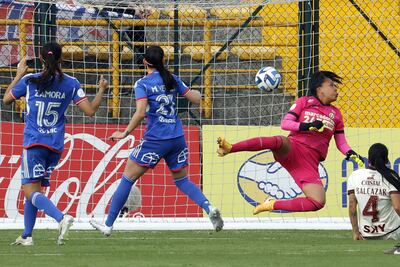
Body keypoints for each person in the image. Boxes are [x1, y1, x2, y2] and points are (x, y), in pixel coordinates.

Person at [90, 46, 223, 235]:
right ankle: (209, 208)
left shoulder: (142, 84)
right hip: (177, 137)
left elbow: (140, 112)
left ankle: (108, 225)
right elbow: (195, 98)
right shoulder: (171, 78)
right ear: (163, 60)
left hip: (156, 139)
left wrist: (125, 133)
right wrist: (195, 92)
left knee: (127, 178)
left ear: (145, 62)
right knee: (182, 180)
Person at [3, 42, 108, 245]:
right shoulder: (71, 82)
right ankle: (27, 235)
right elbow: (90, 111)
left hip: (34, 143)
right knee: (34, 191)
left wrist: (17, 74)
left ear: (41, 59)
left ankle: (62, 218)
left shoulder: (30, 80)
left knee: (30, 190)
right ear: (61, 59)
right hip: (56, 145)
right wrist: (102, 90)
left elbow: (7, 98)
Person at [217, 71, 364, 214]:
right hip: (294, 147)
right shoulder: (304, 102)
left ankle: (271, 204)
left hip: (309, 161)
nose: (335, 89)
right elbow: (286, 124)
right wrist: (306, 126)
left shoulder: (336, 114)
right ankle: (231, 148)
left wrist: (351, 153)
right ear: (320, 89)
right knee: (279, 141)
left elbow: (341, 142)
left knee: (318, 201)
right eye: (331, 85)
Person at [347, 143, 400, 242]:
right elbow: (397, 207)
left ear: (368, 158)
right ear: (386, 160)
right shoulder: (391, 176)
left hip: (366, 235)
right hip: (392, 233)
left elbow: (352, 208)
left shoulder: (355, 176)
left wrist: (355, 232)